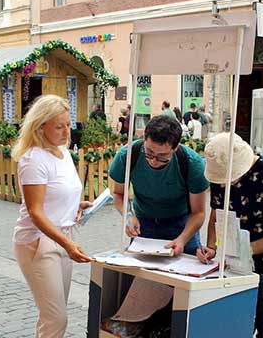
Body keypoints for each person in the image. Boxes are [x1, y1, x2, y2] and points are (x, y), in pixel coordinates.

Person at [11, 95, 92, 338]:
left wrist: (75, 205)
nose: (66, 131)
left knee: (52, 316)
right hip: (38, 243)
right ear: (40, 126)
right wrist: (67, 244)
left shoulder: (63, 153)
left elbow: (56, 194)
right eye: (59, 126)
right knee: (56, 318)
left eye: (68, 124)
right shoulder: (33, 159)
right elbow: (36, 212)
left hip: (62, 236)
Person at [197, 133, 263, 338]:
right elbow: (216, 212)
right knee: (234, 324)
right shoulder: (219, 175)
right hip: (231, 266)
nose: (227, 183)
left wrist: (245, 250)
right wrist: (212, 247)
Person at [109, 115, 209, 256]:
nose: (154, 161)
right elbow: (119, 194)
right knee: (141, 273)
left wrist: (182, 240)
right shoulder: (127, 156)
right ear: (144, 138)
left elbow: (198, 213)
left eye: (162, 156)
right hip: (144, 223)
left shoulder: (192, 164)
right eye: (149, 153)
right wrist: (128, 215)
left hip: (182, 224)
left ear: (175, 148)